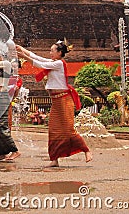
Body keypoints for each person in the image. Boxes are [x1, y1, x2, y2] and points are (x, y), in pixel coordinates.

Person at [16, 39, 93, 167]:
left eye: (52, 50)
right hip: (56, 100)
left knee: (68, 130)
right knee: (54, 130)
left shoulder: (59, 64)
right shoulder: (54, 62)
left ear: (59, 52)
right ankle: (55, 159)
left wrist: (23, 56)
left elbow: (40, 64)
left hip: (64, 100)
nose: (50, 52)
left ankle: (86, 150)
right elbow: (38, 58)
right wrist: (22, 49)